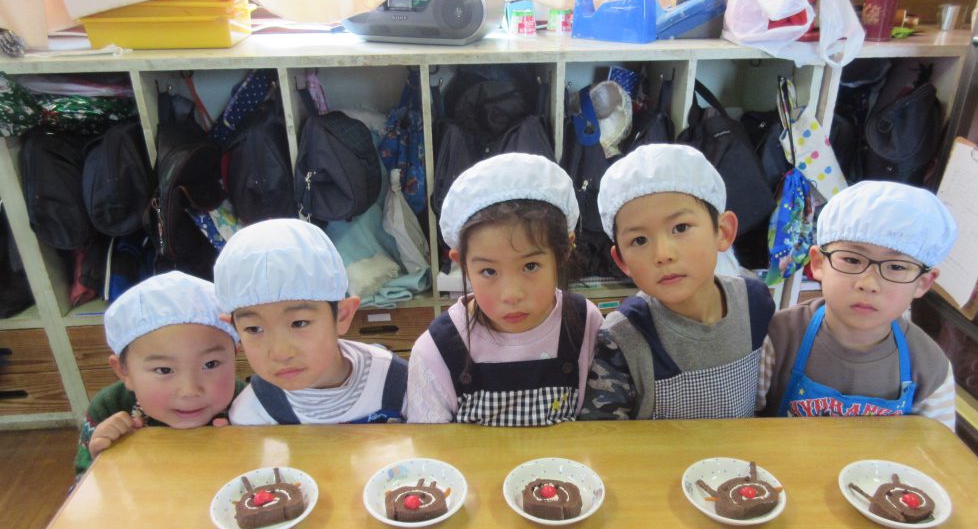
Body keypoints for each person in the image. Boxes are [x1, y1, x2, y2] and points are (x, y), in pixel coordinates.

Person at [580, 144, 775, 420]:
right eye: (639, 240)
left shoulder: (754, 304)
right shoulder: (623, 336)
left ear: (723, 232)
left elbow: (765, 406)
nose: (663, 254)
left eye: (680, 228)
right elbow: (604, 433)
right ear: (622, 261)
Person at [407, 153, 604, 425]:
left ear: (564, 251)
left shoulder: (585, 324)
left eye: (530, 266)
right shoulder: (436, 350)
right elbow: (431, 447)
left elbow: (599, 430)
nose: (511, 295)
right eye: (489, 271)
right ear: (462, 264)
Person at [761, 180, 958, 429]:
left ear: (923, 282)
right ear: (818, 263)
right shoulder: (776, 338)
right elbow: (740, 430)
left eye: (896, 267)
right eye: (852, 260)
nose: (869, 284)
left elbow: (936, 446)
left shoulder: (930, 366)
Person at [214, 218, 407, 424]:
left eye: (299, 323)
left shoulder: (400, 384)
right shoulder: (251, 414)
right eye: (254, 329)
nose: (280, 353)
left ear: (342, 315)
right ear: (235, 330)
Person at [74, 271, 242, 475]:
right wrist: (100, 464)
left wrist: (245, 446)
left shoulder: (251, 402)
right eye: (164, 370)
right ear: (124, 371)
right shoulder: (109, 407)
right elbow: (82, 486)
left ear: (235, 355)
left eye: (210, 364)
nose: (189, 391)